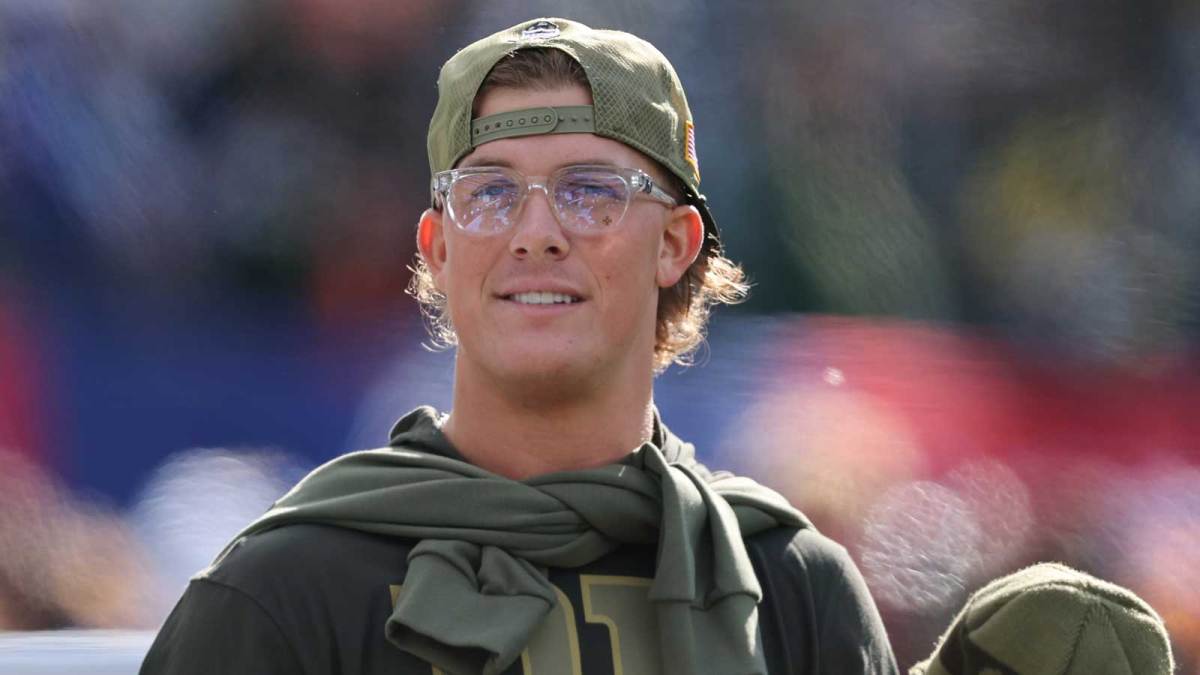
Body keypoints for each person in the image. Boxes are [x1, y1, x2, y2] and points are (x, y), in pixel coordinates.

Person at [141, 17, 898, 675]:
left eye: (590, 191)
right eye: (491, 194)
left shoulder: (792, 589)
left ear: (675, 243)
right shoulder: (286, 591)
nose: (535, 234)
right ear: (438, 250)